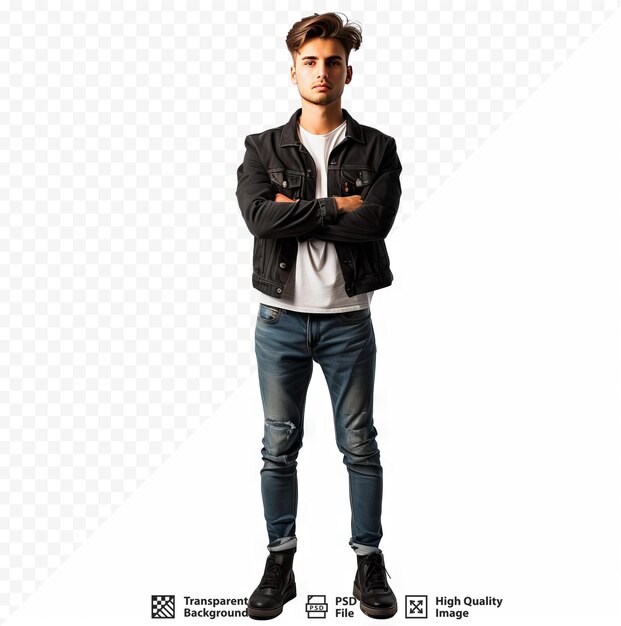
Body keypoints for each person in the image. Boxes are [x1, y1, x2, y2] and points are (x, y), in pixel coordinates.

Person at [236, 11, 402, 620]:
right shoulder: (262, 147)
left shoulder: (378, 148)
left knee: (359, 445)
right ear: (293, 72)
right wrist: (337, 205)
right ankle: (280, 563)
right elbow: (259, 218)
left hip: (347, 322)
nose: (322, 71)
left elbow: (374, 224)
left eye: (332, 61)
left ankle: (368, 562)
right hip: (279, 321)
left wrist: (300, 209)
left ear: (348, 72)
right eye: (311, 61)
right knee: (278, 447)